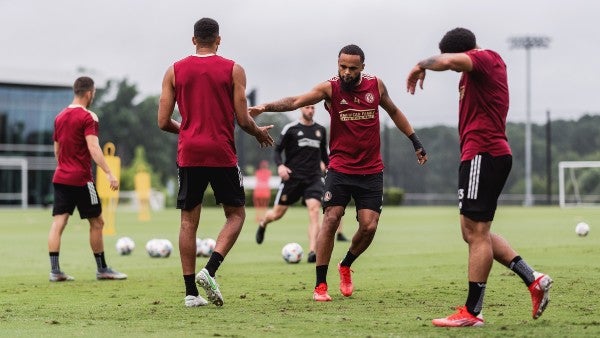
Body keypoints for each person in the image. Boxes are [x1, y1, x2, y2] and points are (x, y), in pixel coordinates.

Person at [250, 44, 427, 301]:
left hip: (371, 169)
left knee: (369, 227)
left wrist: (415, 141)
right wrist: (265, 106)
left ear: (362, 68)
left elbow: (395, 111)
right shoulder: (329, 88)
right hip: (340, 168)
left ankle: (345, 264)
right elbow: (296, 101)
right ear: (338, 64)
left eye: (352, 68)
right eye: (342, 66)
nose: (346, 72)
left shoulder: (376, 86)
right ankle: (320, 285)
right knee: (331, 218)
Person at [406, 27, 553, 327]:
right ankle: (533, 279)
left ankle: (473, 312)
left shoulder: (484, 58)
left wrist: (421, 65)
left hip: (483, 153)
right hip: (481, 154)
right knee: (473, 232)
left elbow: (448, 62)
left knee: (476, 232)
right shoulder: (474, 72)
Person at [157, 17, 273, 308]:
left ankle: (190, 294)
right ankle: (209, 270)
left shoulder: (174, 70)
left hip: (190, 153)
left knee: (188, 220)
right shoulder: (234, 69)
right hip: (221, 152)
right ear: (218, 40)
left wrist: (186, 130)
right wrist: (258, 132)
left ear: (194, 40)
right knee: (236, 215)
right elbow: (243, 118)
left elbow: (162, 122)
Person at [48, 76, 127, 282]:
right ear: (89, 93)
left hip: (61, 177)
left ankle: (55, 271)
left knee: (59, 222)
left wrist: (65, 166)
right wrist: (109, 172)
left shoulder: (59, 117)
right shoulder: (88, 117)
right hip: (83, 180)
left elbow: (57, 150)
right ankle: (102, 269)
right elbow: (93, 147)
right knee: (97, 222)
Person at [255, 105, 329, 263]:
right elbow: (277, 151)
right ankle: (263, 223)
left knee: (315, 211)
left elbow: (324, 155)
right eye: (308, 107)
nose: (310, 110)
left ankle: (312, 251)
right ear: (301, 109)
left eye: (313, 108)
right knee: (276, 214)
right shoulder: (291, 129)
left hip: (314, 178)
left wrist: (328, 168)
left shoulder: (320, 130)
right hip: (292, 179)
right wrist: (281, 166)